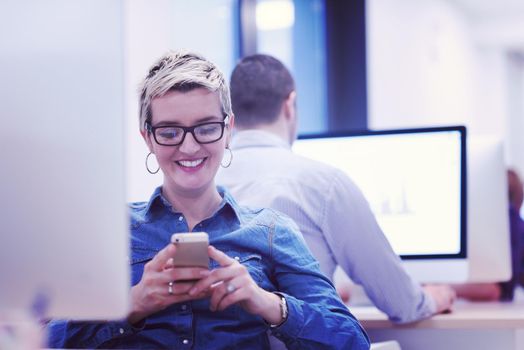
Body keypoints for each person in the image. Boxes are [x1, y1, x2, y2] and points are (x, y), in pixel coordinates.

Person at [45, 51, 369, 349]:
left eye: (206, 128)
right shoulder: (111, 232)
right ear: (147, 137)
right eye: (170, 132)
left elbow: (352, 340)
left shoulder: (272, 231)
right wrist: (133, 303)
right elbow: (40, 338)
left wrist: (268, 303)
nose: (189, 148)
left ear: (228, 129)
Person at [216, 53, 456, 324]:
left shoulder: (202, 185)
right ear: (289, 105)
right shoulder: (324, 184)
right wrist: (433, 297)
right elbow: (400, 303)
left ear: (230, 114)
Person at [452, 168, 524, 301]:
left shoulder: (506, 220)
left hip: (494, 304)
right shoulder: (516, 223)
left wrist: (437, 287)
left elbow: (492, 289)